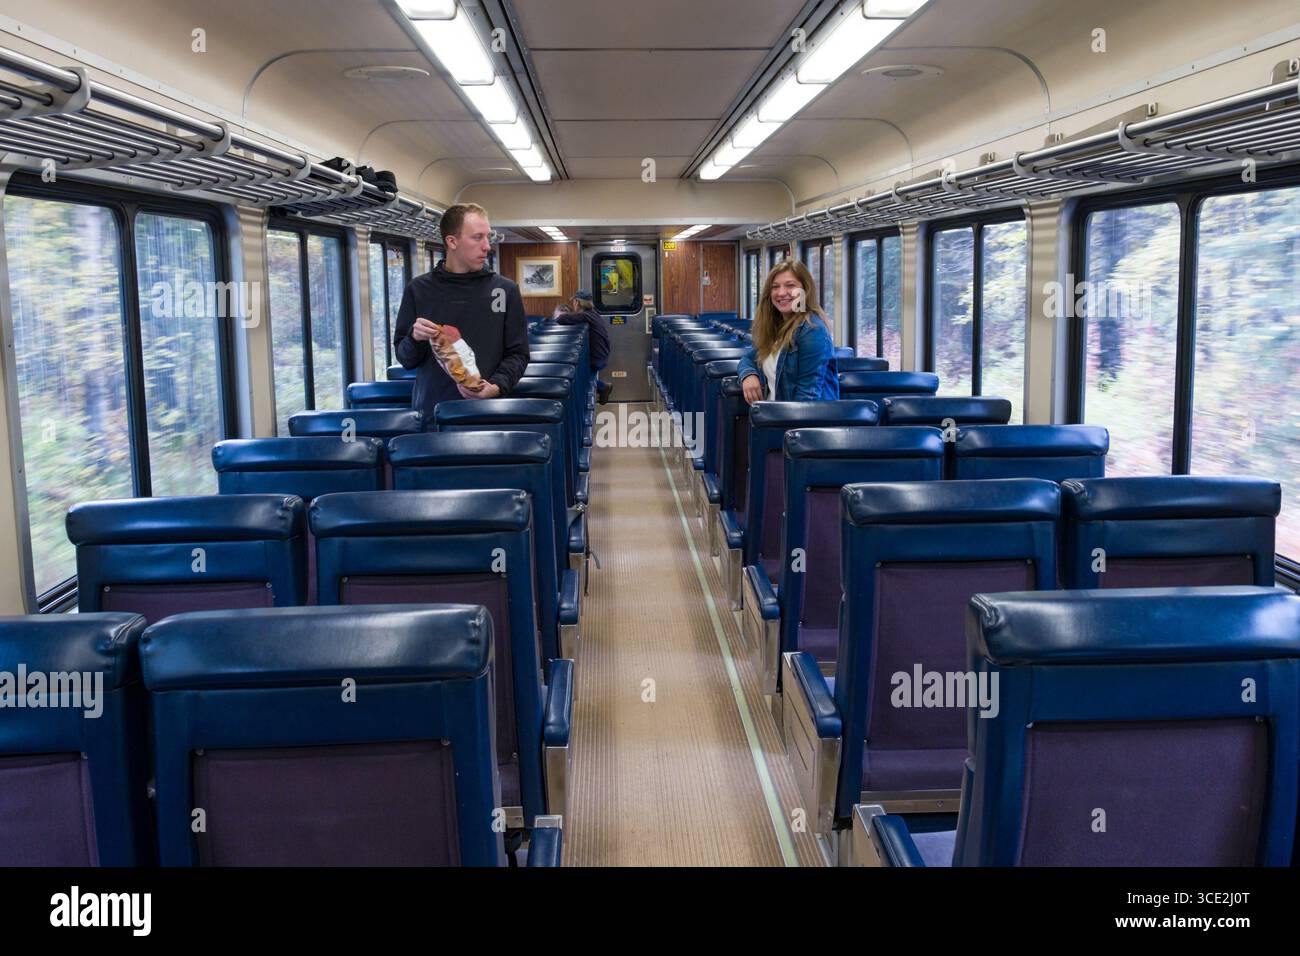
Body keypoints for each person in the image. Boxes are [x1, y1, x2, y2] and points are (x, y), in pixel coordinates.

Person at [392, 202, 529, 421]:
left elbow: (518, 353)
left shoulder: (504, 290)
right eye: (477, 237)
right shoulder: (418, 289)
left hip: (490, 412)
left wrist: (494, 387)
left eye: (488, 237)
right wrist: (414, 337)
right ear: (452, 241)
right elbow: (405, 358)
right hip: (433, 415)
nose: (486, 246)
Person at [737, 259, 839, 404]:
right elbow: (748, 359)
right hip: (773, 417)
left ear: (805, 290)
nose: (781, 293)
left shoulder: (812, 331)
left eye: (790, 286)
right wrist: (749, 375)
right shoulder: (778, 328)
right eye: (775, 287)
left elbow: (806, 400)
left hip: (795, 423)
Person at [552, 289, 614, 405]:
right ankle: (602, 387)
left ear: (577, 303)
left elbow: (561, 319)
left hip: (597, 358)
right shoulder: (592, 314)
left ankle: (603, 387)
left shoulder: (585, 316)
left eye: (574, 302)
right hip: (601, 354)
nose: (573, 304)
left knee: (576, 376)